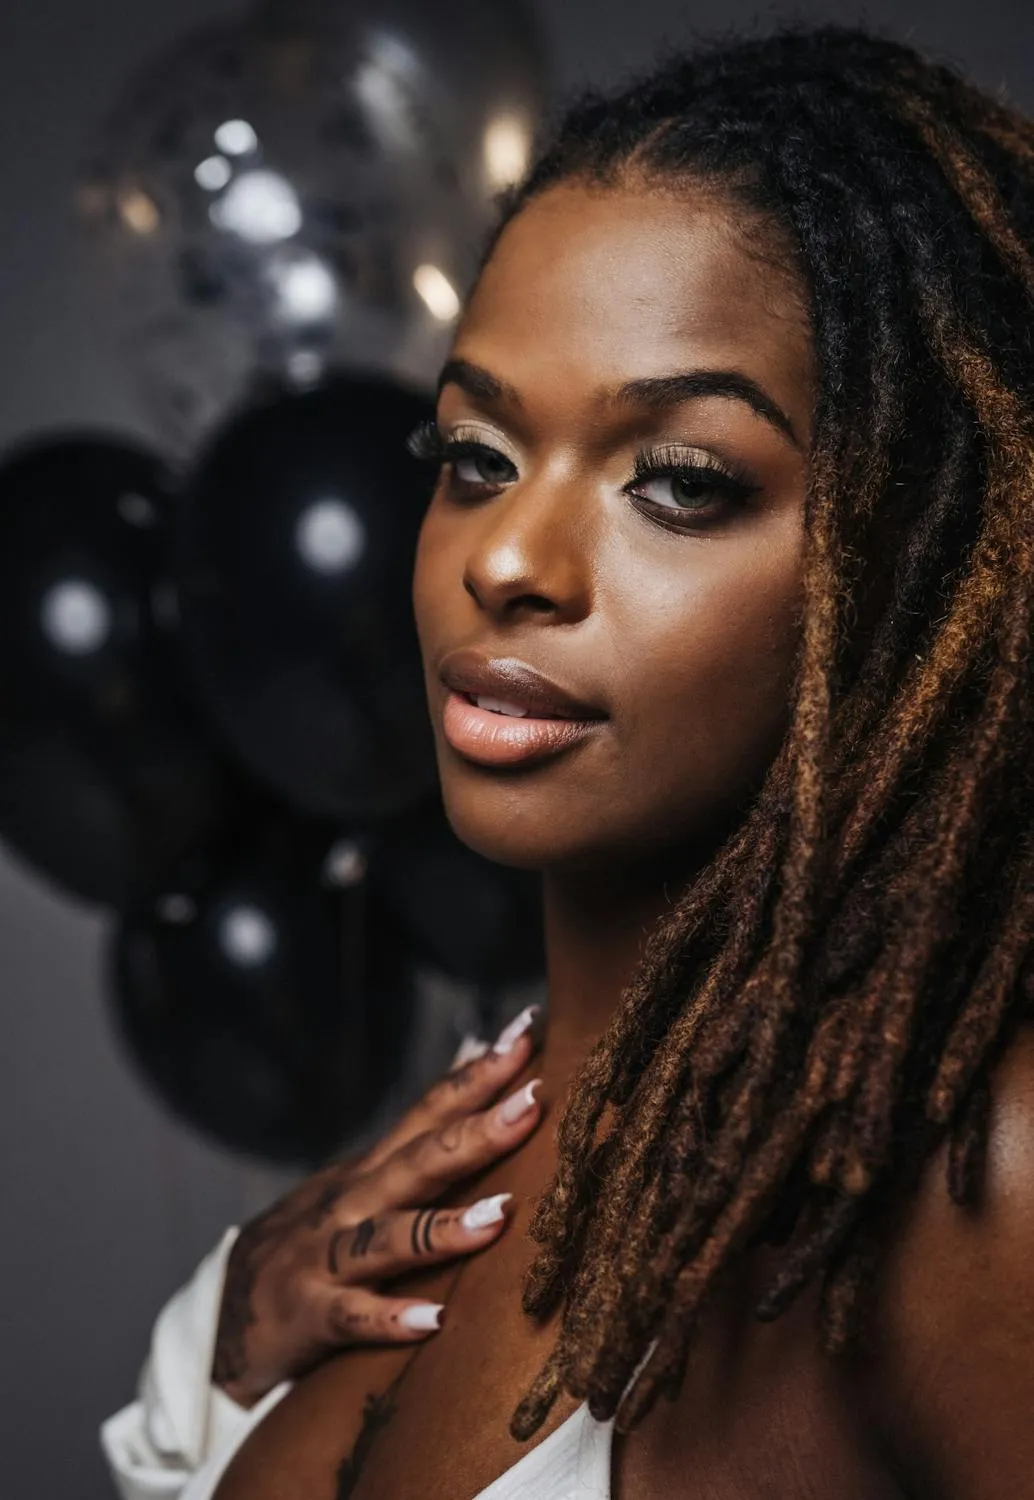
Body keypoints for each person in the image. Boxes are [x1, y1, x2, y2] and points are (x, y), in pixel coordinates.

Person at [103, 23, 1034, 1500]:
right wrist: (216, 1372)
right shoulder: (423, 1181)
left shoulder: (962, 1186)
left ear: (919, 567)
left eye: (678, 483)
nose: (510, 562)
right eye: (474, 456)